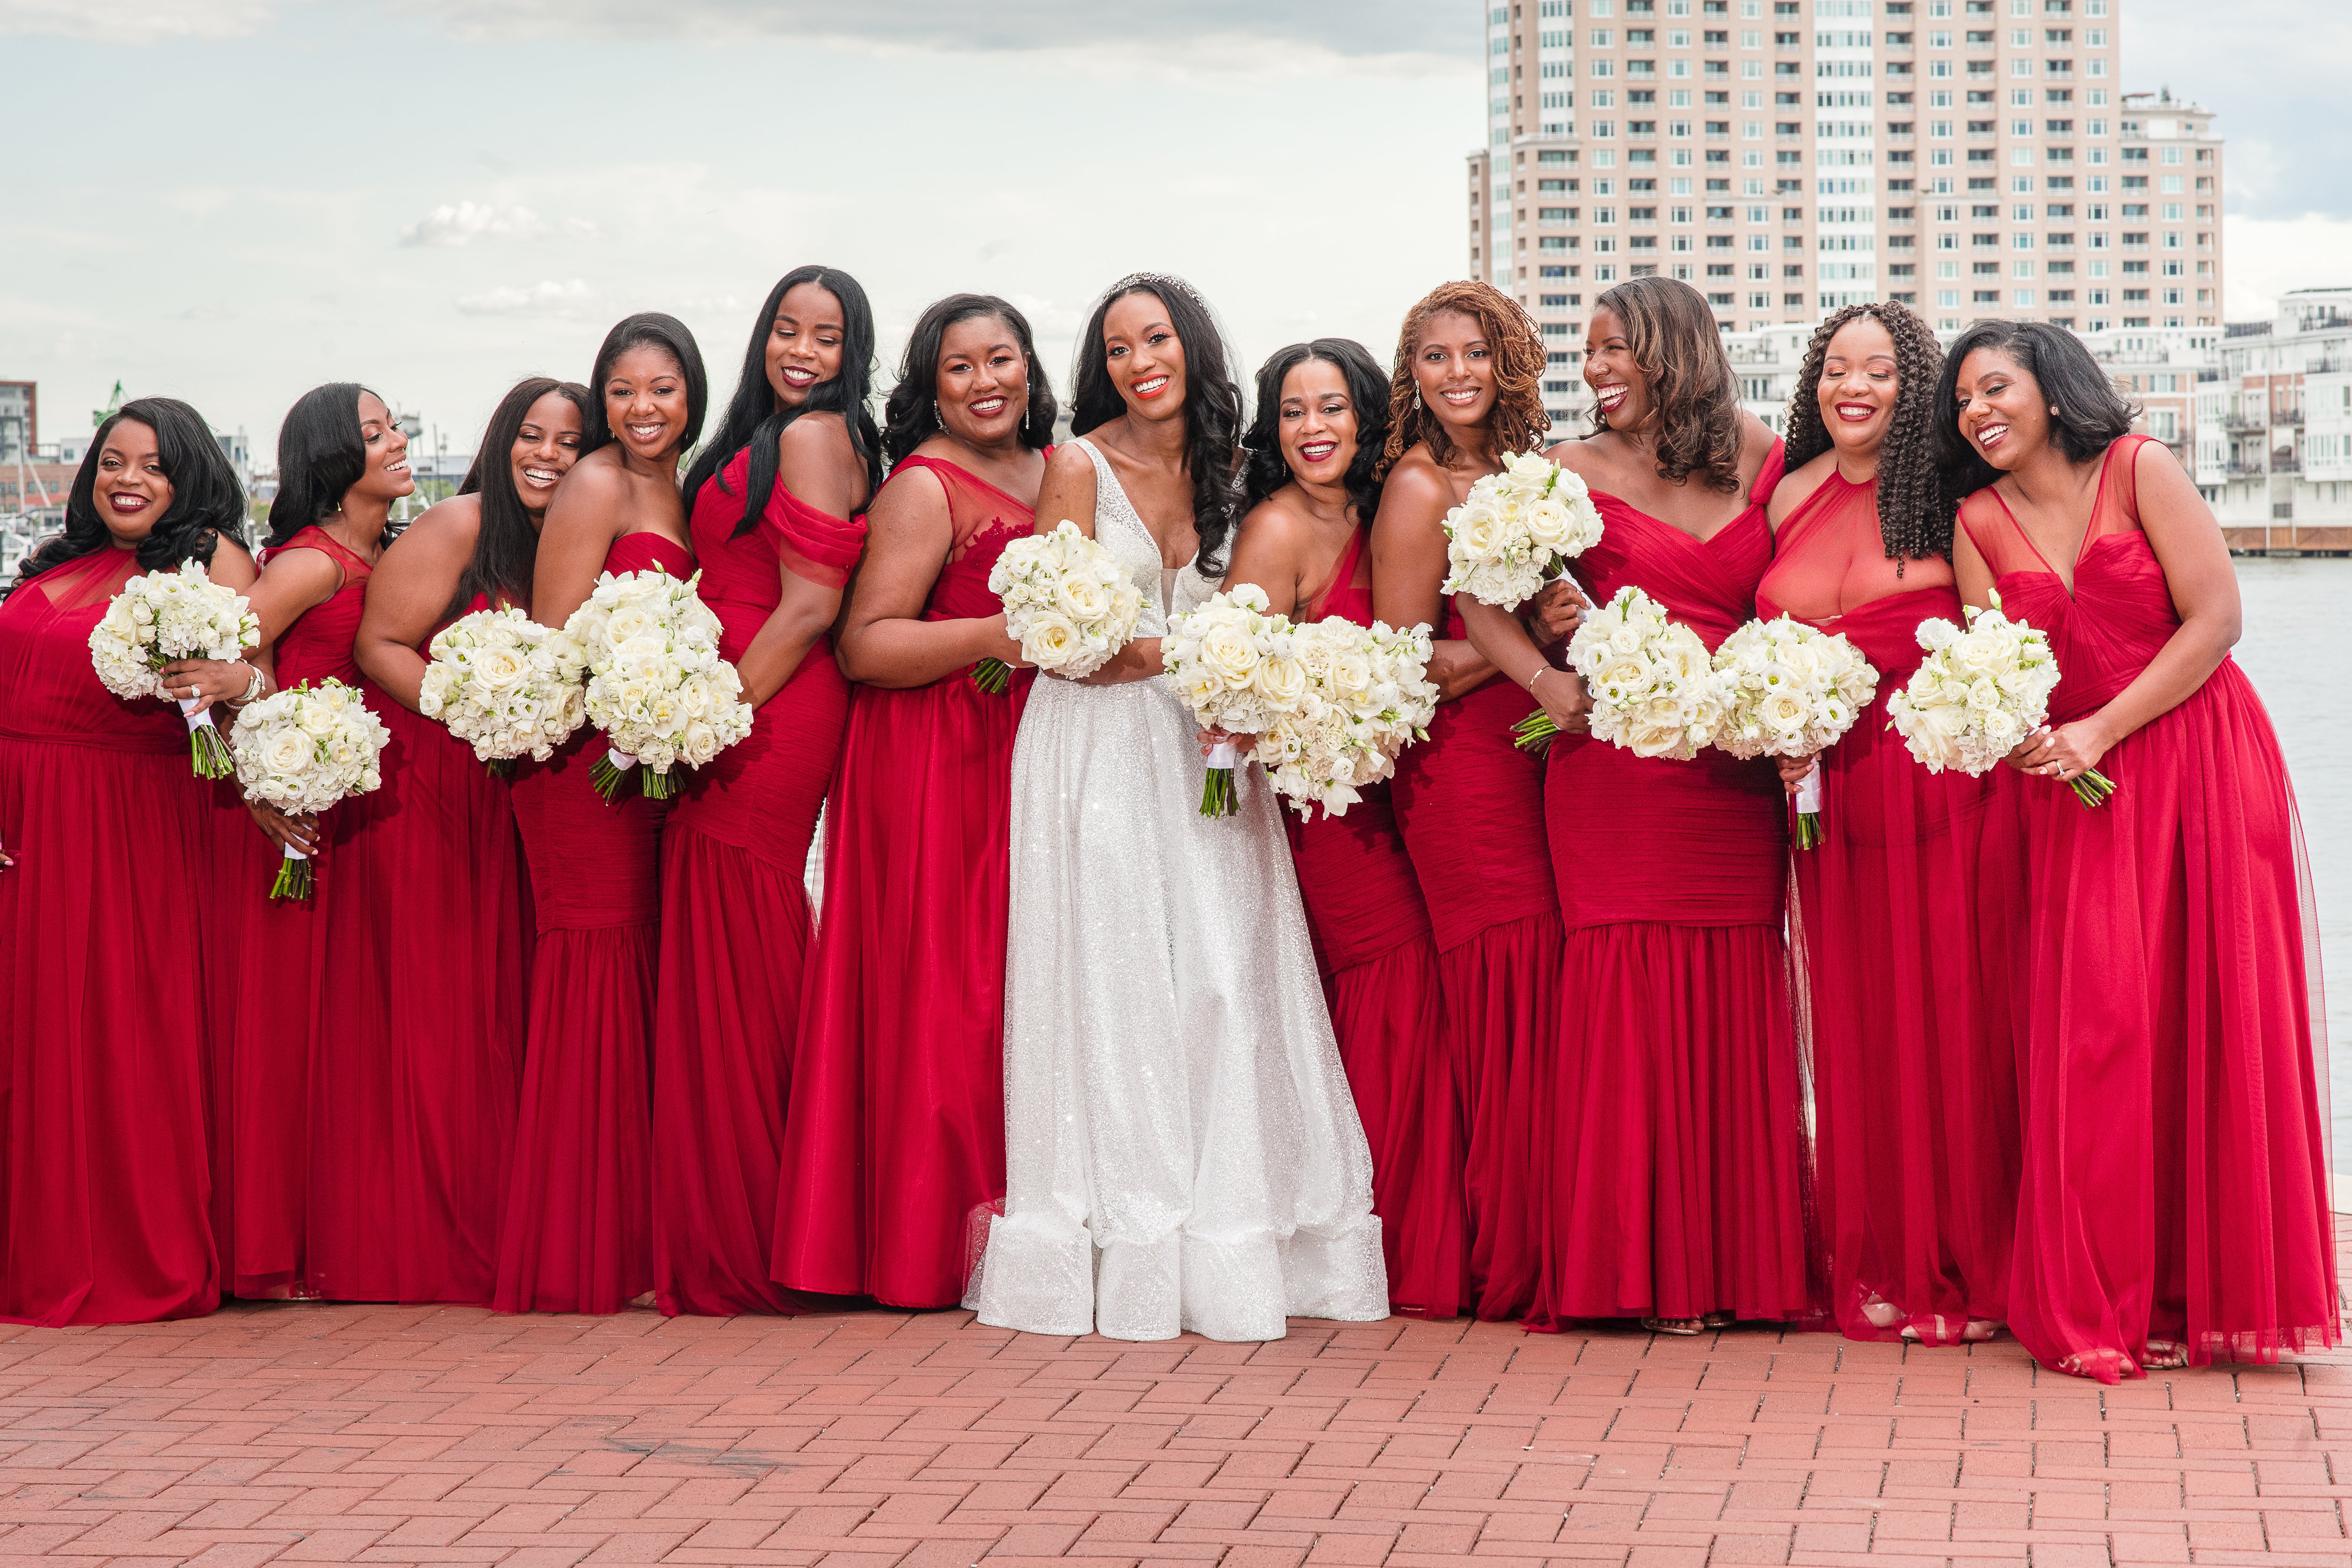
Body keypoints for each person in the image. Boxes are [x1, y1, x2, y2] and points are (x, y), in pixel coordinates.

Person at [963, 273, 1388, 1341]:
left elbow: (1277, 608)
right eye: (1115, 347)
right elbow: (1059, 642)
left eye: (1154, 338)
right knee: (1110, 979)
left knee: (1221, 971)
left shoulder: (1239, 472)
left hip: (1210, 748)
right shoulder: (1077, 464)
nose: (1137, 360)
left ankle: (1238, 1230)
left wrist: (1247, 671)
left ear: (1192, 348)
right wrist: (1192, 651)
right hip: (1095, 750)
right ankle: (1126, 1242)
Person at [1941, 319, 2337, 1381]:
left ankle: (2193, 1298)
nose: (1976, 412)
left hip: (2200, 759)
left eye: (1995, 388)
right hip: (2074, 791)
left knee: (2206, 1014)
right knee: (2101, 1026)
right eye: (1963, 401)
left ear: (2054, 389)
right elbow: (1999, 668)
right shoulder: (1973, 519)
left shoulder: (2139, 465)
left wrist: (2100, 727)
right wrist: (2007, 727)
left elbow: (2216, 619)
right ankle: (2102, 1299)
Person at [1463, 275, 1813, 1335]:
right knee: (1624, 990)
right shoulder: (1562, 471)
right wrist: (1545, 682)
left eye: (1614, 348)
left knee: (1732, 988)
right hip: (1614, 777)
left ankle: (1735, 1270)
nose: (1595, 370)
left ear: (1674, 349)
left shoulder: (1762, 455)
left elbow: (1805, 589)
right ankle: (1633, 1269)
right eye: (1590, 351)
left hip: (1729, 777)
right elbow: (1477, 591)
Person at [773, 292, 1048, 1309]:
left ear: (1029, 367)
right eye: (960, 367)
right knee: (947, 989)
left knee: (1010, 986)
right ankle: (922, 1241)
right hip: (933, 760)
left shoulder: (1048, 471)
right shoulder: (926, 487)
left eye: (1001, 359)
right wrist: (993, 636)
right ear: (930, 387)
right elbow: (862, 644)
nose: (985, 383)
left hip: (1023, 749)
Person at [1757, 303, 2013, 1344]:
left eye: (1878, 368)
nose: (1850, 385)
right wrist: (1772, 719)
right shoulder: (1786, 495)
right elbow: (1754, 639)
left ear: (1915, 385)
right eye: (1832, 366)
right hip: (1828, 801)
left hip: (1942, 789)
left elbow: (2004, 644)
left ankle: (1969, 1269)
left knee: (1955, 1021)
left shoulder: (1955, 496)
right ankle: (1884, 1255)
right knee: (1859, 1023)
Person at [1223, 337, 1465, 1319]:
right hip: (1325, 805)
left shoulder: (1386, 512)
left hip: (1405, 792)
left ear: (1367, 414)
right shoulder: (1275, 529)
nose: (1313, 427)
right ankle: (1388, 1243)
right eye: (1291, 411)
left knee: (1419, 994)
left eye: (1331, 406)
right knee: (1390, 987)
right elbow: (1236, 676)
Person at [650, 268, 876, 1315]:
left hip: (768, 705)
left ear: (851, 353)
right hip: (736, 696)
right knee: (727, 931)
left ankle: (780, 1226)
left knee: (745, 924)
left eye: (826, 337)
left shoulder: (816, 436)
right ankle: (753, 1216)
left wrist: (708, 716)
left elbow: (810, 604)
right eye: (786, 329)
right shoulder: (773, 429)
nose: (801, 350)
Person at [0, 397, 248, 1324]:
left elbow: (240, 689)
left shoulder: (208, 561)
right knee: (25, 1036)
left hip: (116, 823)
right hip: (23, 822)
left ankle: (113, 1249)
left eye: (151, 463)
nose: (127, 479)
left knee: (103, 1031)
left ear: (188, 475)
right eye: (112, 460)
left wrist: (240, 682)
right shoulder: (59, 563)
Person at [344, 376, 583, 1304]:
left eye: (569, 442)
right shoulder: (461, 525)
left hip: (530, 798)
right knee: (446, 1010)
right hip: (444, 784)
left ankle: (504, 1217)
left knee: (510, 1012)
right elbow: (381, 644)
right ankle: (440, 1230)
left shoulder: (578, 540)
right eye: (532, 436)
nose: (548, 457)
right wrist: (474, 712)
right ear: (501, 440)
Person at [173, 383, 410, 1299]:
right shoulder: (313, 565)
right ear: (333, 458)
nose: (395, 440)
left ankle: (323, 1228)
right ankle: (272, 1245)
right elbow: (216, 669)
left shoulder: (380, 549)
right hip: (297, 825)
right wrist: (256, 778)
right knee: (287, 1027)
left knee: (337, 1032)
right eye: (376, 431)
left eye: (393, 426)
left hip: (355, 814)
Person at [494, 315, 705, 1314]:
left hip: (654, 759)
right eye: (621, 391)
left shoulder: (688, 487)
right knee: (596, 964)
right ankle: (582, 1246)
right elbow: (551, 639)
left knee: (643, 970)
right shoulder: (596, 483)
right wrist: (635, 690)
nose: (642, 408)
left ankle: (641, 1234)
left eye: (661, 387)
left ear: (692, 394)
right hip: (586, 769)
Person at [1368, 280, 1563, 1320]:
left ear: (1507, 361)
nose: (1456, 374)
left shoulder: (1535, 475)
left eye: (1473, 353)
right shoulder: (1417, 486)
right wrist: (1524, 652)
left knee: (1545, 990)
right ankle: (1512, 1248)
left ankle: (1557, 1222)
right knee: (1503, 984)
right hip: (1461, 772)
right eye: (1434, 357)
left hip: (1544, 756)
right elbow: (1407, 662)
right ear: (1414, 374)